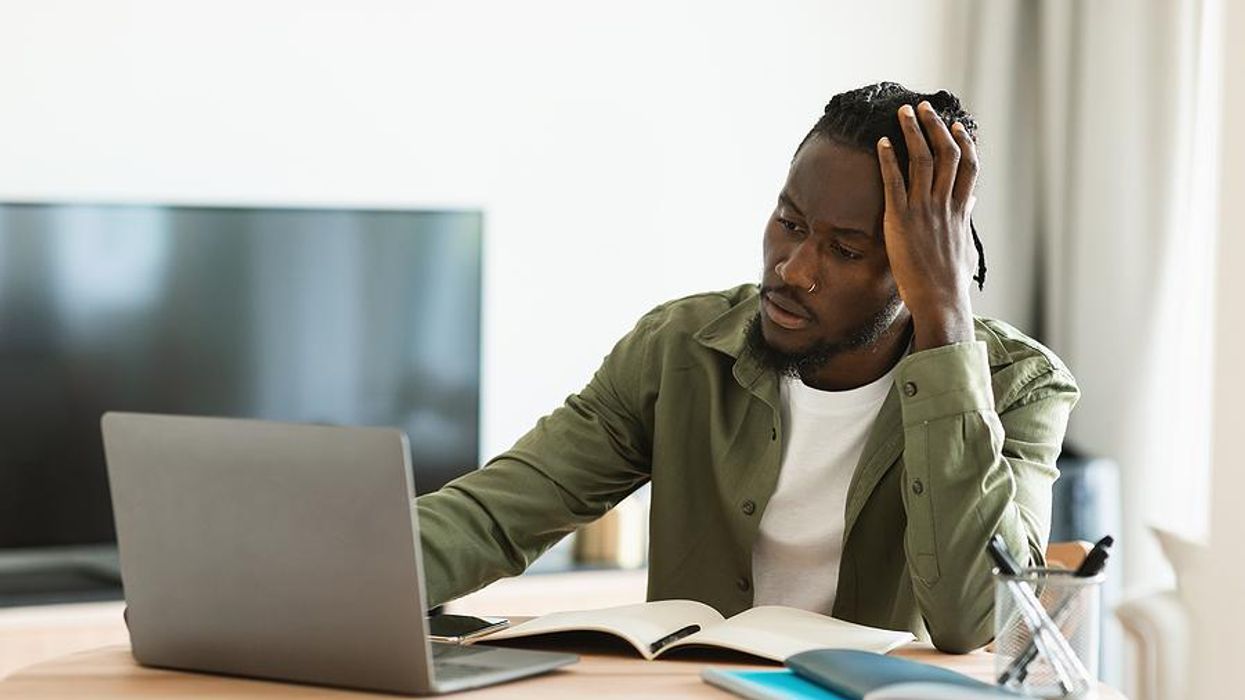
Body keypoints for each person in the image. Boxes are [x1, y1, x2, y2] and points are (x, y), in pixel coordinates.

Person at [415, 82, 1079, 654]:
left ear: (925, 266)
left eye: (844, 249)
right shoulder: (679, 349)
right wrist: (332, 576)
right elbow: (494, 516)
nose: (792, 270)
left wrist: (944, 318)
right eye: (789, 223)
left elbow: (975, 617)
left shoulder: (1019, 387)